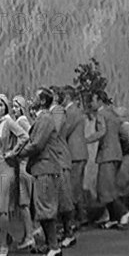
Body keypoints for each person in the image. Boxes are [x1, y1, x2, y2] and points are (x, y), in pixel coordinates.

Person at [18, 87, 65, 256]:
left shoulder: (45, 118)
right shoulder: (42, 118)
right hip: (41, 169)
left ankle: (54, 246)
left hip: (46, 168)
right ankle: (50, 243)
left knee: (46, 209)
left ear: (43, 101)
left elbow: (36, 144)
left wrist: (17, 154)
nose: (31, 99)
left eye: (35, 97)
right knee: (42, 208)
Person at [86, 90, 129, 229]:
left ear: (100, 100)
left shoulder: (101, 114)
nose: (91, 103)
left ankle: (123, 212)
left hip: (107, 154)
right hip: (116, 153)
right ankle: (113, 218)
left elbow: (102, 131)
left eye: (93, 100)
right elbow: (124, 134)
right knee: (109, 186)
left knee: (105, 189)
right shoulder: (113, 113)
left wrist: (87, 140)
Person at [0, 94, 29, 256]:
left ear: (6, 107)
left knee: (2, 207)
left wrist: (13, 153)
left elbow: (25, 136)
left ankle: (4, 244)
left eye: (1, 105)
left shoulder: (9, 122)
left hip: (6, 168)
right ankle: (6, 236)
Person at [50, 86, 77, 247]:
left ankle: (69, 232)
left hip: (60, 159)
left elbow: (54, 130)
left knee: (64, 197)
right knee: (58, 198)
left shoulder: (58, 111)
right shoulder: (52, 112)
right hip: (55, 159)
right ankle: (62, 231)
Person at [60, 86, 90, 228]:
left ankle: (73, 220)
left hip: (75, 153)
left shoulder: (71, 112)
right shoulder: (75, 111)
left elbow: (65, 131)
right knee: (76, 187)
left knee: (72, 188)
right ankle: (81, 216)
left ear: (67, 97)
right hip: (79, 153)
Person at [11, 95, 38, 249]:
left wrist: (18, 152)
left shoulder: (21, 121)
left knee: (24, 203)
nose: (14, 109)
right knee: (24, 202)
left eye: (16, 106)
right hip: (22, 164)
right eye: (13, 106)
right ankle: (29, 233)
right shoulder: (20, 121)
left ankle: (29, 235)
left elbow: (29, 138)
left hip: (23, 165)